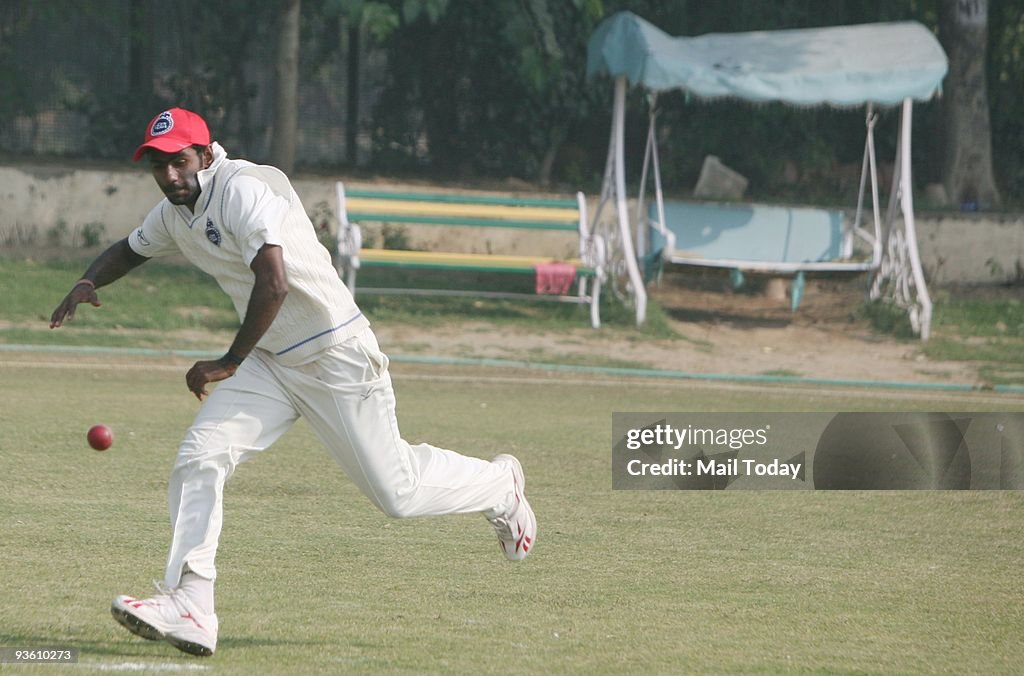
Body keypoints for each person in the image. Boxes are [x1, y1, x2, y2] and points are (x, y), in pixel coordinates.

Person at [49, 108, 536, 657]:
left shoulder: (243, 190)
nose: (169, 175)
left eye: (179, 161)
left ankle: (500, 486)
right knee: (200, 455)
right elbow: (129, 249)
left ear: (206, 155)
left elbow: (274, 282)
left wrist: (229, 359)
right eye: (158, 165)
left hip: (335, 354)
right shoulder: (175, 211)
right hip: (271, 361)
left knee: (397, 494)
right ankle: (192, 603)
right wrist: (88, 280)